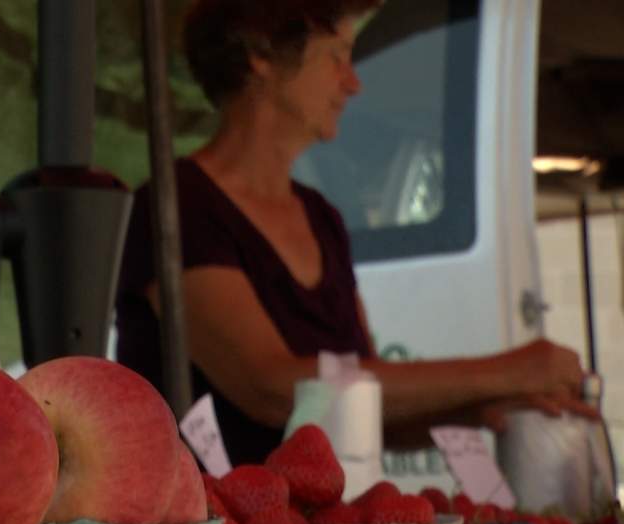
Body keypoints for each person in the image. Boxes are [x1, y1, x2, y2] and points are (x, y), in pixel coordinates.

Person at [115, 0, 595, 466]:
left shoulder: (320, 217)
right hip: (214, 519)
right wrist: (505, 370)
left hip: (325, 516)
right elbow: (269, 386)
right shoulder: (177, 207)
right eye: (337, 56)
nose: (353, 82)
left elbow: (367, 412)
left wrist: (484, 407)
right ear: (260, 53)